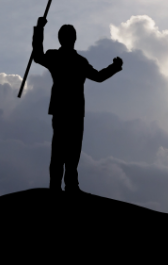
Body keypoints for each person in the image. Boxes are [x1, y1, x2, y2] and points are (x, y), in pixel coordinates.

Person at [32, 17, 122, 193]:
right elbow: (98, 76)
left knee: (69, 149)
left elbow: (37, 55)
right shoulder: (68, 59)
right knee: (64, 149)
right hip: (69, 110)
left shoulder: (70, 59)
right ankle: (60, 186)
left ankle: (67, 185)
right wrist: (39, 30)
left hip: (70, 110)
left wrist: (40, 29)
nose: (68, 38)